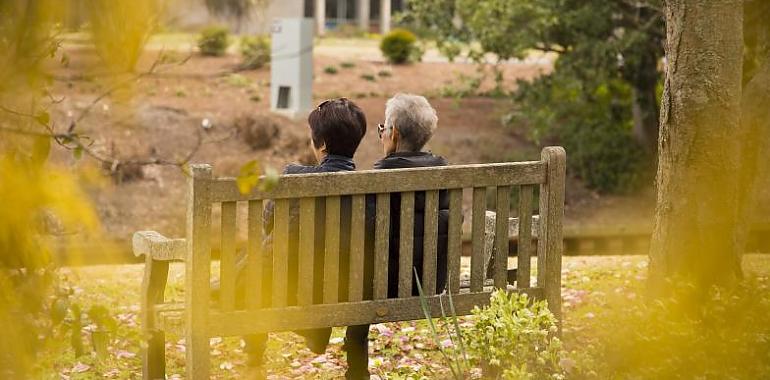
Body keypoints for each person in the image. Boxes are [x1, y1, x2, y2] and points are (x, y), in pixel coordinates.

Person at [242, 97, 367, 368]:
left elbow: (268, 226)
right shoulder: (371, 187)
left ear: (321, 144)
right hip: (349, 290)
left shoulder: (294, 178)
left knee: (257, 268)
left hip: (290, 290)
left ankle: (253, 361)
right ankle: (356, 367)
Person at [345, 93, 450, 380]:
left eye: (383, 130)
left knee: (359, 290)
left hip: (383, 286)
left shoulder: (379, 176)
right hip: (431, 282)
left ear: (395, 134)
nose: (382, 136)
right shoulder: (444, 171)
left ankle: (357, 373)